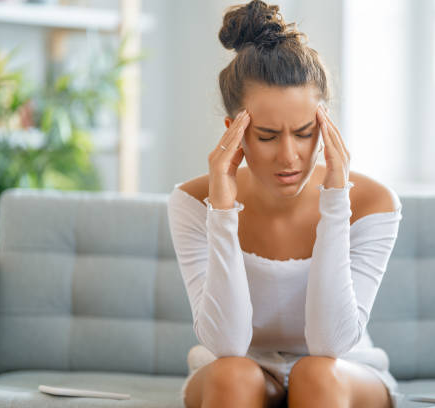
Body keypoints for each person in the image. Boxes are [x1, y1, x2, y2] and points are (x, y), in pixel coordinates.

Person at [166, 1, 404, 407]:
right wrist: (222, 209)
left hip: (343, 369)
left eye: (305, 132)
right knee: (233, 375)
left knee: (317, 374)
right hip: (237, 367)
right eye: (267, 136)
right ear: (235, 132)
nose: (289, 157)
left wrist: (335, 200)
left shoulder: (374, 203)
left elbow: (331, 342)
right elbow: (227, 344)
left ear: (325, 126)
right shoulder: (192, 201)